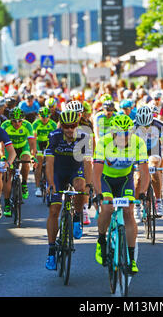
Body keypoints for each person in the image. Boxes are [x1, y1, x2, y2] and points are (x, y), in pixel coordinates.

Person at [93, 114, 149, 274]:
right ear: (113, 132)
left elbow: (145, 173)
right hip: (106, 180)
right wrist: (98, 194)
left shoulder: (138, 143)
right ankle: (101, 240)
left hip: (125, 180)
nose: (124, 136)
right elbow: (96, 173)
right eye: (120, 132)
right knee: (108, 208)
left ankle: (131, 260)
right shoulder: (104, 143)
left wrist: (143, 193)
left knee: (128, 211)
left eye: (127, 132)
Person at [44, 110, 93, 270]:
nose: (70, 130)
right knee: (54, 210)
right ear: (61, 126)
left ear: (77, 125)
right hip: (58, 172)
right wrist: (50, 183)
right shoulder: (54, 136)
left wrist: (89, 185)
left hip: (75, 169)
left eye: (73, 126)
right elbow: (49, 162)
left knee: (80, 186)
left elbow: (87, 163)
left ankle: (77, 217)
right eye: (66, 126)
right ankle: (51, 251)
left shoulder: (84, 136)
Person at [134, 105, 163, 218]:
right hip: (138, 153)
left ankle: (158, 201)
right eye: (142, 126)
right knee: (138, 177)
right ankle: (137, 206)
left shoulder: (160, 125)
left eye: (147, 125)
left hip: (154, 152)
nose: (145, 128)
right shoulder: (132, 126)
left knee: (154, 168)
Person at [1, 107, 37, 216]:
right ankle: (7, 204)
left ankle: (24, 184)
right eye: (14, 121)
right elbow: (1, 144)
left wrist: (33, 156)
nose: (17, 123)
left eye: (20, 121)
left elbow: (32, 143)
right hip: (9, 149)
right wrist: (2, 156)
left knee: (26, 160)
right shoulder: (5, 126)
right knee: (8, 174)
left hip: (23, 147)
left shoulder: (27, 125)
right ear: (10, 120)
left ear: (23, 119)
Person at [32, 106, 57, 197]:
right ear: (39, 116)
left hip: (49, 144)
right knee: (39, 163)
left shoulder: (53, 124)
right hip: (39, 143)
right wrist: (35, 150)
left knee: (52, 162)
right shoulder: (35, 124)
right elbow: (33, 138)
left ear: (49, 116)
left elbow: (56, 138)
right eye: (43, 116)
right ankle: (38, 187)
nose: (45, 118)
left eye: (47, 116)